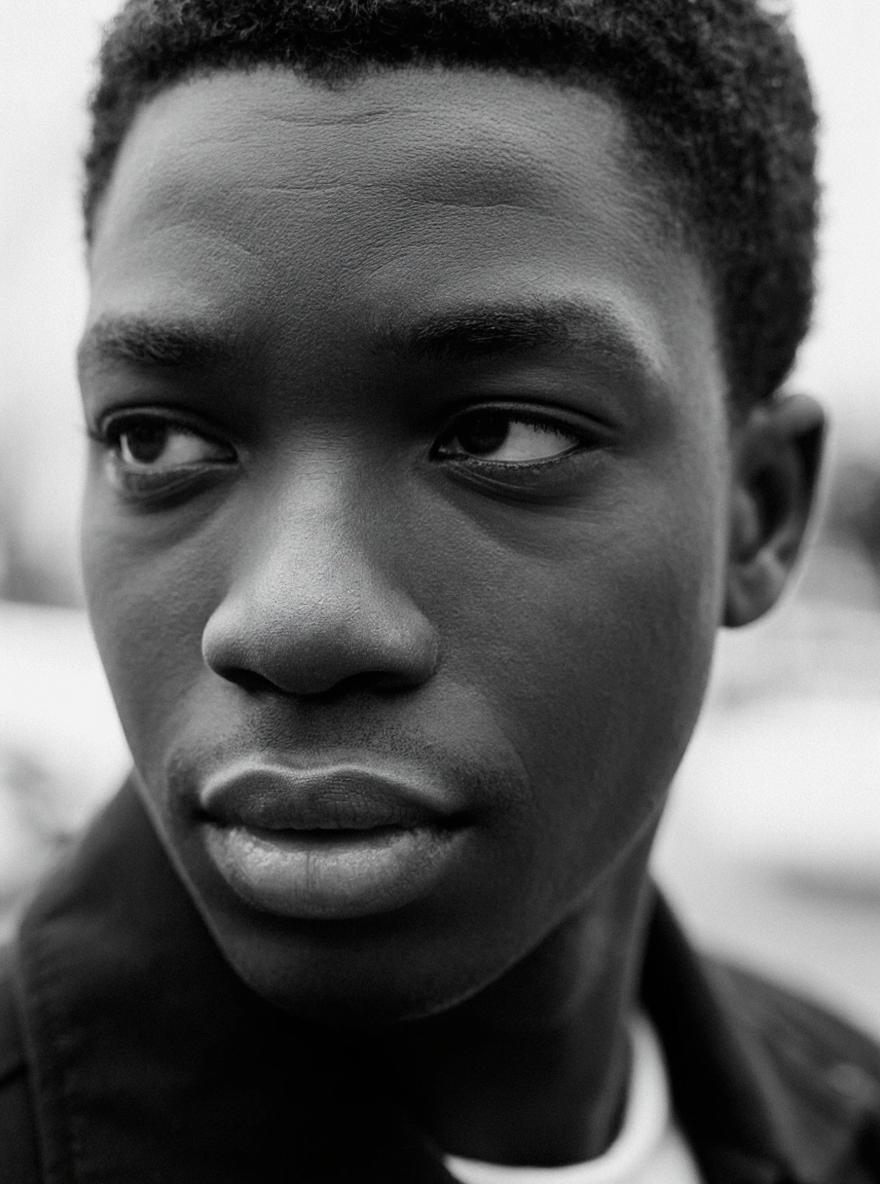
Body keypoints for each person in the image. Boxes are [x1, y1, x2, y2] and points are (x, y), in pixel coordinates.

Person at [2, 0, 879, 1179]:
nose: (290, 620)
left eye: (498, 432)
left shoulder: (846, 1100)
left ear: (759, 511)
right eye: (157, 439)